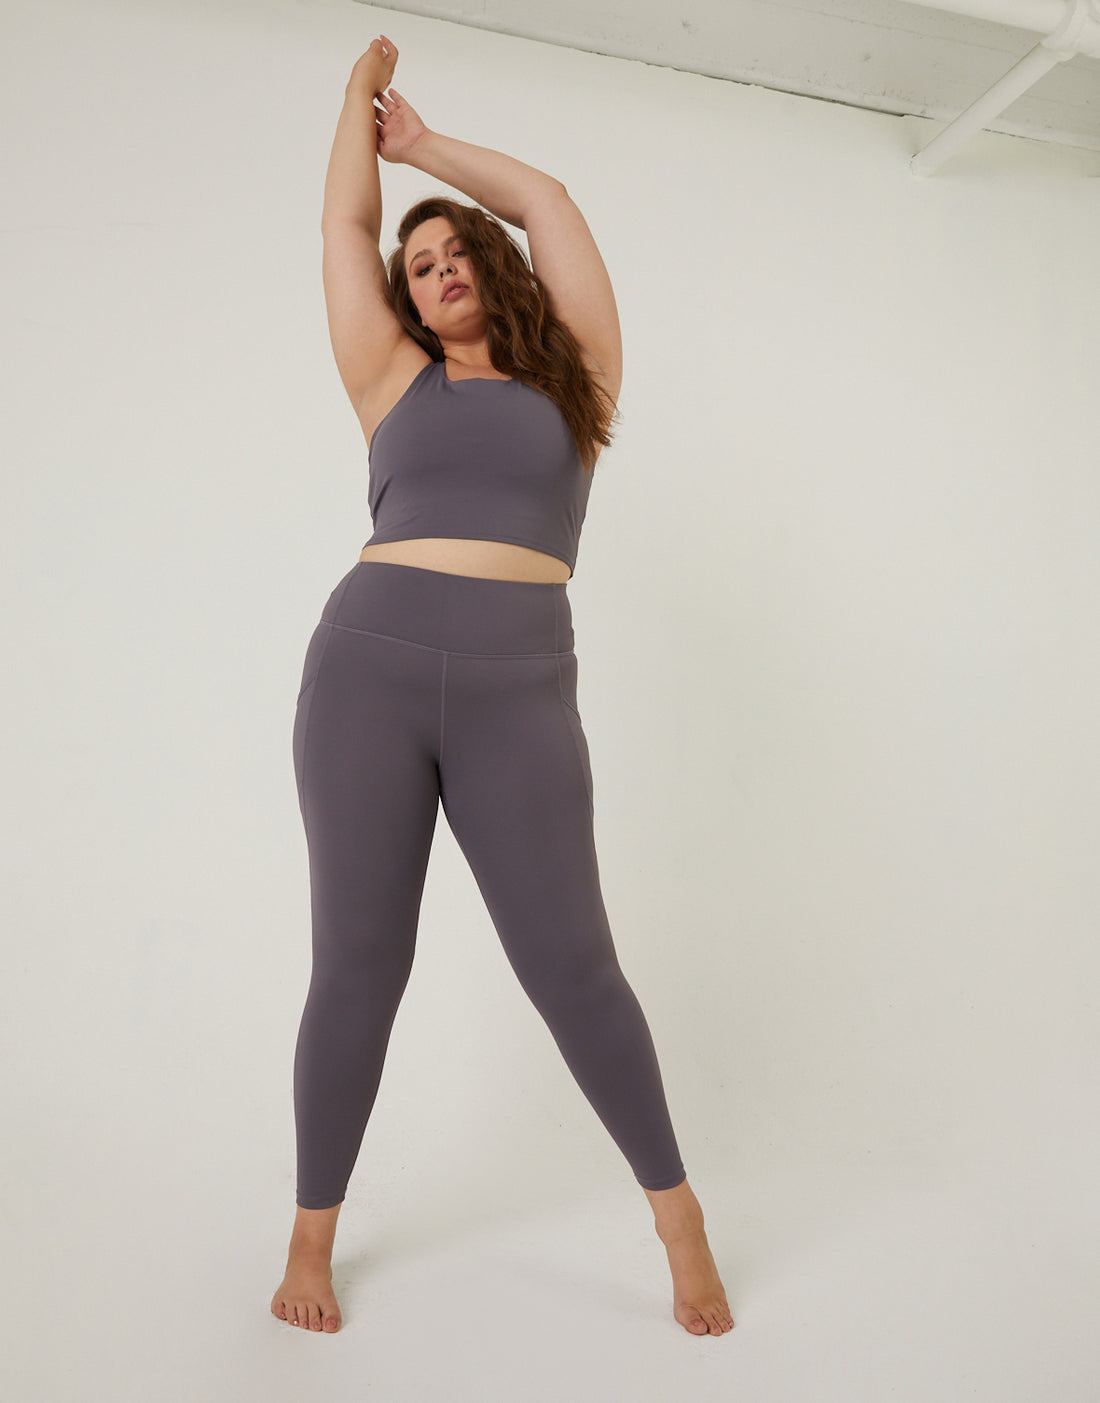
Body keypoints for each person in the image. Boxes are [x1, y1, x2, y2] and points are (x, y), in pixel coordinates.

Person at [270, 35, 734, 1339]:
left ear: (491, 264)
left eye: (453, 251)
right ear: (407, 301)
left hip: (517, 690)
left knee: (573, 965)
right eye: (417, 265)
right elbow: (342, 224)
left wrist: (422, 148)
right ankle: (311, 1235)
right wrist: (351, 106)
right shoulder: (389, 379)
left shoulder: (576, 375)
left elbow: (549, 201)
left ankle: (677, 1215)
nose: (436, 269)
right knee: (359, 965)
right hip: (365, 672)